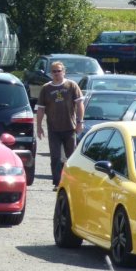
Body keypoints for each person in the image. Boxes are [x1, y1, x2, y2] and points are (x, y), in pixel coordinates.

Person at [36, 61, 84, 189]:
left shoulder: (71, 85)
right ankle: (58, 183)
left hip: (70, 127)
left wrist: (80, 122)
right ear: (51, 73)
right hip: (53, 128)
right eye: (54, 71)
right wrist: (39, 126)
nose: (56, 73)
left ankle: (72, 183)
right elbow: (40, 108)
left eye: (59, 71)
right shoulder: (46, 88)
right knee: (55, 157)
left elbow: (79, 104)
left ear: (64, 72)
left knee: (71, 157)